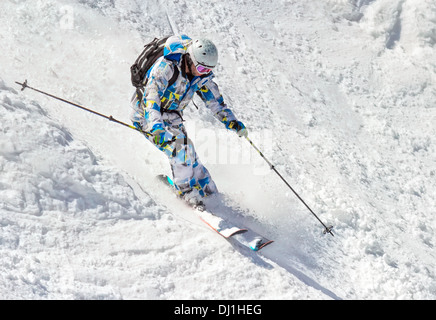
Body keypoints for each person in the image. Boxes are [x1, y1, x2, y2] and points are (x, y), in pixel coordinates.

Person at [130, 34, 247, 206]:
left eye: (208, 70)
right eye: (202, 69)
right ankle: (186, 193)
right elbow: (151, 100)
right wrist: (156, 126)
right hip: (147, 116)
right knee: (179, 152)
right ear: (190, 60)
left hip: (171, 117)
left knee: (191, 156)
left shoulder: (201, 76)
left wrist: (232, 122)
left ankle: (209, 192)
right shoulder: (165, 69)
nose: (204, 73)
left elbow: (215, 102)